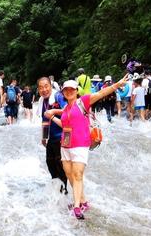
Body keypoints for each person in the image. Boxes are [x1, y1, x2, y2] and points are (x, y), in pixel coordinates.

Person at [46, 76, 128, 219]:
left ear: (76, 90)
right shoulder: (66, 108)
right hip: (65, 144)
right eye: (66, 90)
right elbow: (65, 125)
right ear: (63, 92)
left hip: (80, 145)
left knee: (77, 175)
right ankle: (83, 201)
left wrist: (117, 85)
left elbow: (101, 93)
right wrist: (53, 116)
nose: (69, 91)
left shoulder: (83, 101)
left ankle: (77, 207)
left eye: (72, 89)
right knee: (69, 174)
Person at [38, 76, 68, 194]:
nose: (44, 89)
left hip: (64, 137)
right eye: (41, 87)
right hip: (52, 138)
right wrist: (44, 137)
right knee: (50, 164)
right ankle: (58, 192)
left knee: (62, 167)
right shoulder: (43, 101)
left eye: (46, 86)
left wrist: (54, 111)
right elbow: (45, 120)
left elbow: (69, 110)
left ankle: (66, 192)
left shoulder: (58, 96)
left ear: (51, 86)